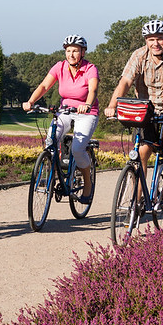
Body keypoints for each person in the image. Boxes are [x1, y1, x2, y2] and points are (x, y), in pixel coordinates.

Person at [103, 19, 163, 189]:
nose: (155, 43)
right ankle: (137, 202)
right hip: (147, 107)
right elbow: (125, 82)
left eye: (159, 38)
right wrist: (112, 105)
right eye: (151, 39)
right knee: (142, 152)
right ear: (146, 41)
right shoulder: (139, 55)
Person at [22, 34, 99, 202]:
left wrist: (86, 104)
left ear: (83, 52)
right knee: (50, 141)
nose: (71, 54)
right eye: (68, 50)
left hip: (86, 113)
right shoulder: (60, 67)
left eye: (75, 51)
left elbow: (93, 90)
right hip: (65, 111)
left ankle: (87, 184)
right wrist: (31, 101)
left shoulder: (90, 68)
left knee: (78, 150)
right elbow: (44, 86)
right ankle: (49, 175)